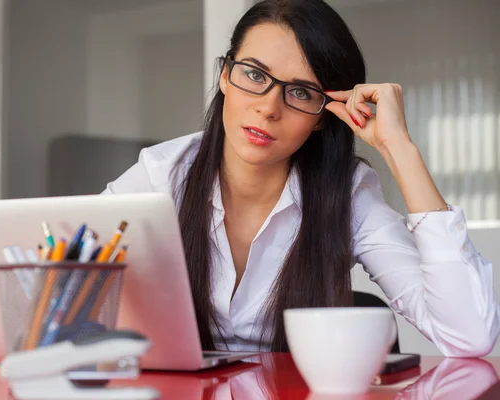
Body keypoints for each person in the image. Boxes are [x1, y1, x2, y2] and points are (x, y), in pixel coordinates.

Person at [102, 0, 499, 355]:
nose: (269, 108)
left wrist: (400, 149)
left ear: (323, 117)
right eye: (255, 75)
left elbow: (469, 335)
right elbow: (66, 288)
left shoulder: (346, 194)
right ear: (225, 76)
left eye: (301, 92)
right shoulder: (163, 174)